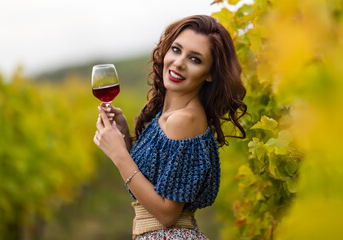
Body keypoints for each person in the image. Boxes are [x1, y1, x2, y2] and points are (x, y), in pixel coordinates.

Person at [93, 15, 247, 240]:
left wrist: (118, 155)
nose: (179, 63)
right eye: (176, 49)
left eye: (195, 59)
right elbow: (153, 180)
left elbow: (167, 214)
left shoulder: (184, 120)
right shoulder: (170, 114)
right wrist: (124, 137)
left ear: (210, 74)